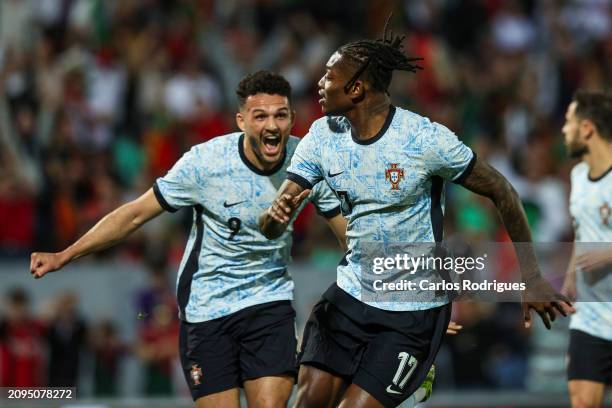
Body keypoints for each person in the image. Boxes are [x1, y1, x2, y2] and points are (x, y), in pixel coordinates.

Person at [260, 19, 574, 408]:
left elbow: (501, 190)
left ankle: (416, 370)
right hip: (351, 294)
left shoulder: (424, 140)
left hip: (413, 310)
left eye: (329, 74)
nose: (319, 82)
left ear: (356, 88)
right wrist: (277, 215)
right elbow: (272, 225)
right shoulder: (322, 137)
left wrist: (531, 276)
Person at [30, 70, 345, 408]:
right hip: (207, 309)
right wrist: (66, 254)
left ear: (292, 118)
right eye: (260, 116)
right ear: (241, 121)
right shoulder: (205, 163)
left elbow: (348, 234)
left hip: (269, 303)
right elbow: (136, 213)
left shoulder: (307, 164)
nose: (272, 125)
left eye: (280, 115)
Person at [561, 90, 612, 408]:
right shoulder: (578, 176)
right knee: (581, 402)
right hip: (590, 317)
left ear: (587, 128)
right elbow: (582, 232)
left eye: (569, 122)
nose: (564, 130)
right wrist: (569, 279)